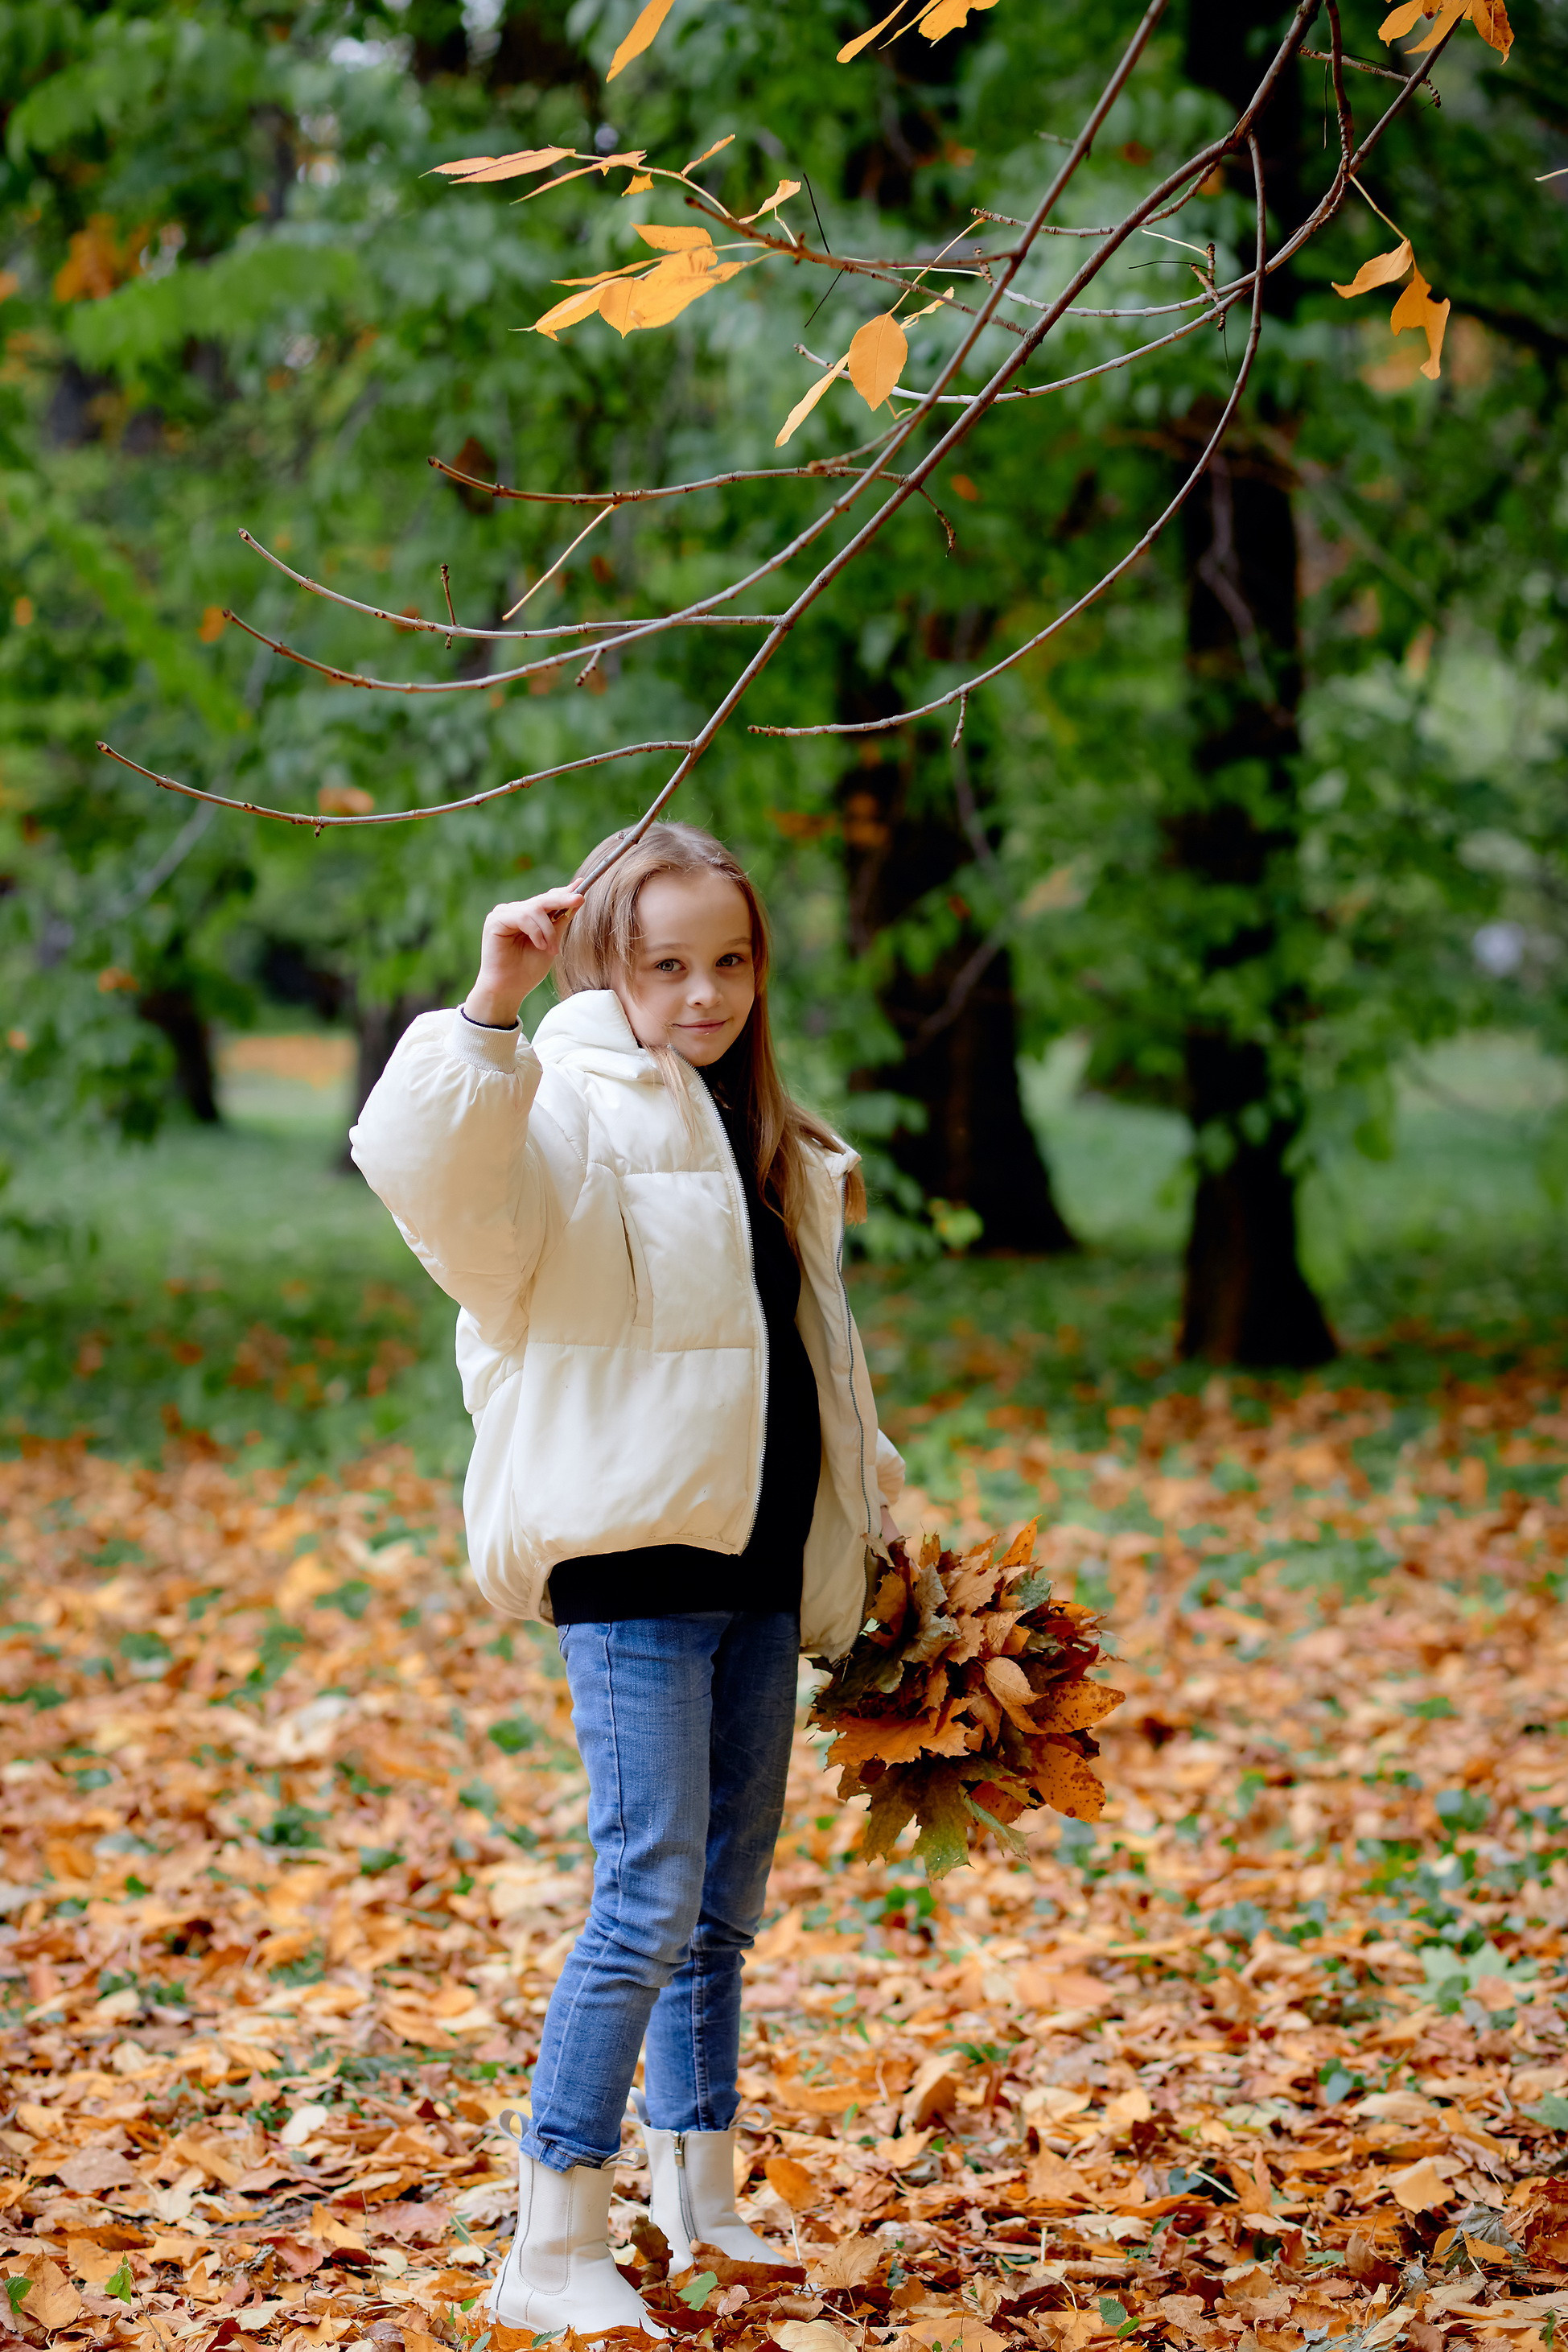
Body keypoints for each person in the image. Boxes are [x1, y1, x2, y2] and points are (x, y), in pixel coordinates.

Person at [351, 822, 904, 2339]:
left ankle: (696, 2197)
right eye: (665, 964)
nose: (703, 993)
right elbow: (434, 1184)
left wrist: (872, 1508)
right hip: (635, 1559)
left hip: (759, 1557)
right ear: (607, 961)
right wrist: (490, 1006)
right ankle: (552, 2240)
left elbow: (797, 1360)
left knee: (720, 1908)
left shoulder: (756, 1125)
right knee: (646, 1896)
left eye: (730, 960)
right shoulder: (560, 1108)